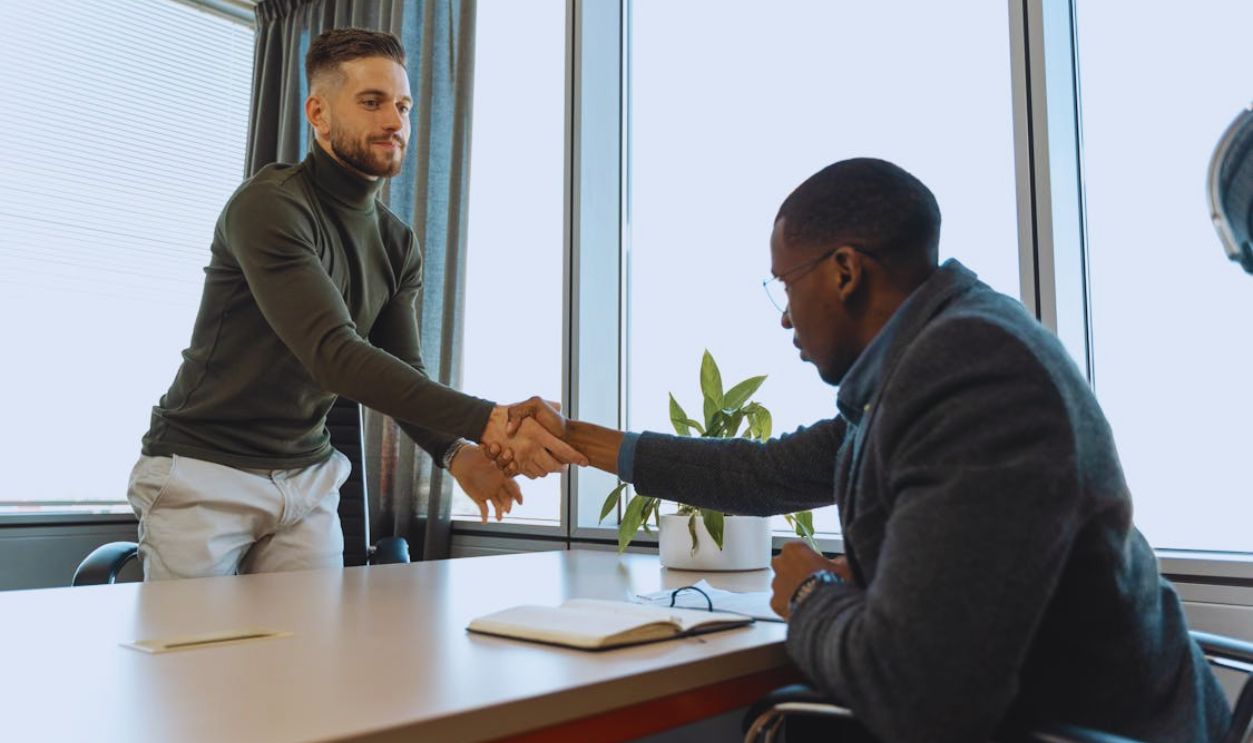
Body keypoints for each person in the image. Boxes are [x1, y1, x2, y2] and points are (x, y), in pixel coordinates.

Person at [494, 159, 1231, 741]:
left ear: (844, 270)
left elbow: (919, 696)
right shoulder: (932, 356)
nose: (783, 315)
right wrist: (575, 439)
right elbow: (765, 472)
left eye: (785, 283)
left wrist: (813, 593)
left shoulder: (970, 373)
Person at [130, 28, 585, 582]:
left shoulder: (397, 245)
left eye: (402, 105)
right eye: (372, 102)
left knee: (315, 661)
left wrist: (457, 454)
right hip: (206, 471)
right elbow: (334, 355)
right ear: (318, 114)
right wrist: (491, 422)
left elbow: (403, 370)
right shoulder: (269, 206)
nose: (395, 121)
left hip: (307, 478)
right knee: (194, 664)